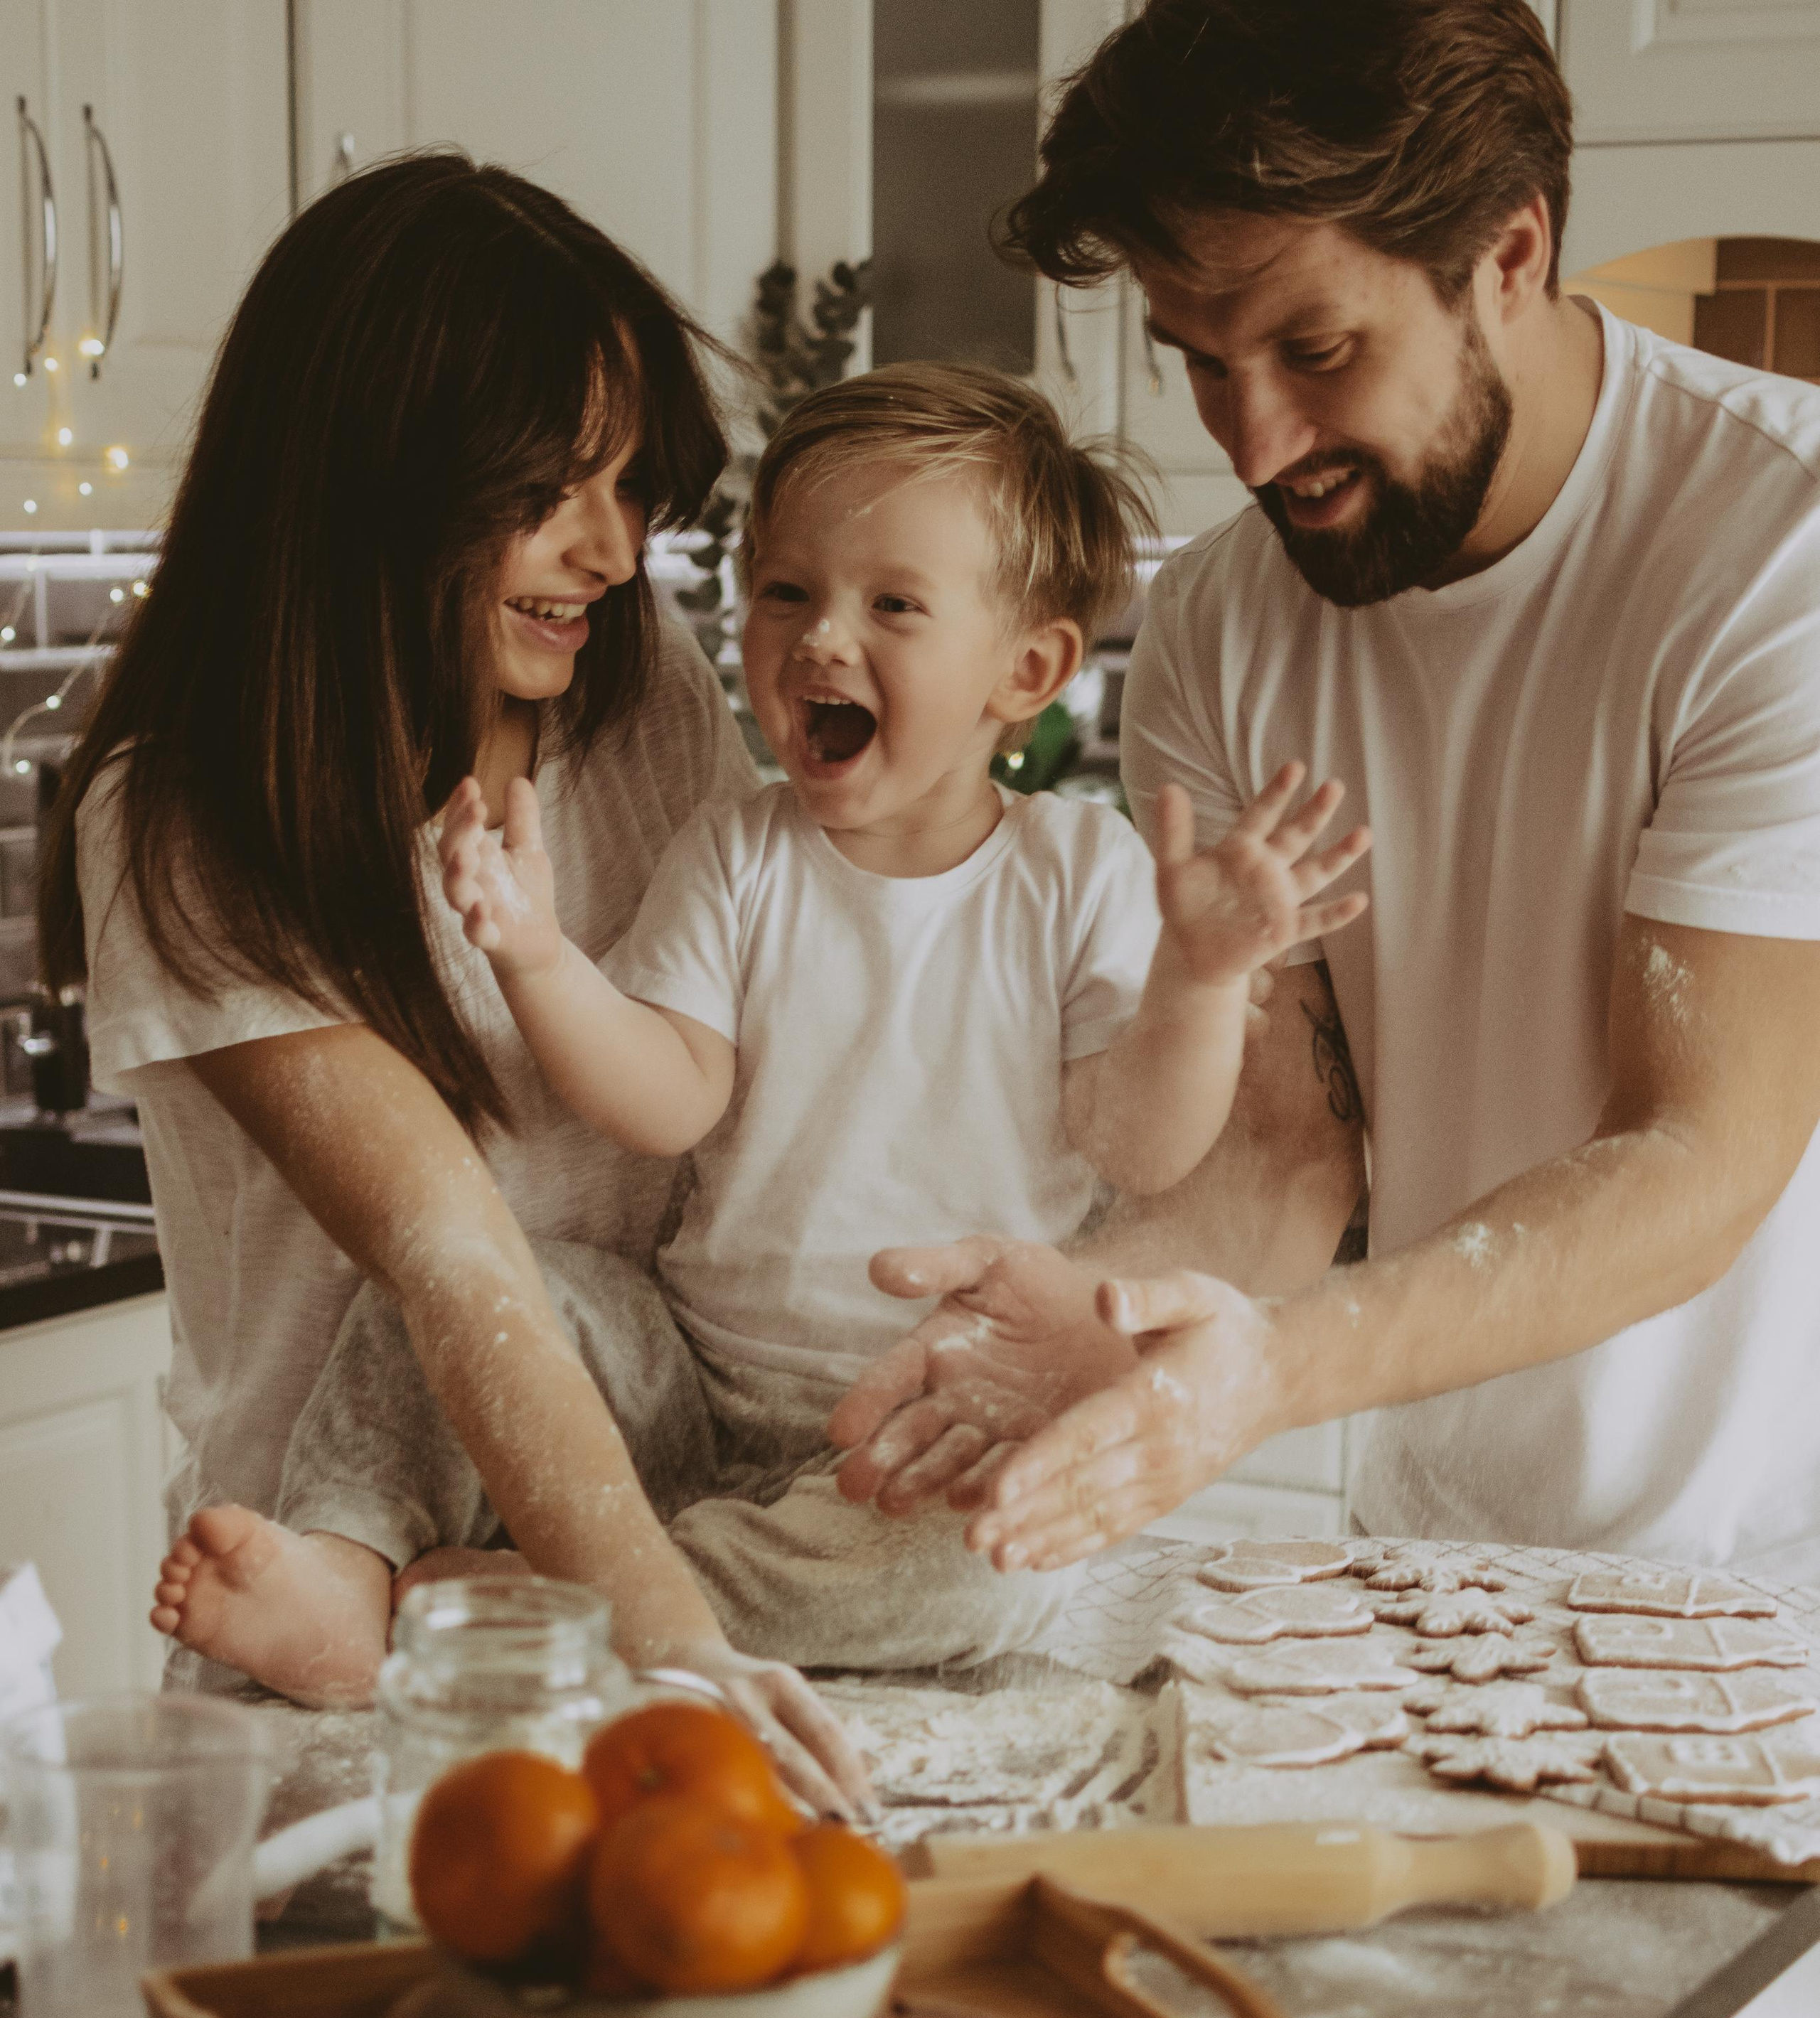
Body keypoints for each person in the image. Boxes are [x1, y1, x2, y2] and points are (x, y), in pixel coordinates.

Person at [153, 363, 1369, 1702]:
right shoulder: (739, 851)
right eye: (786, 593)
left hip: (920, 1411)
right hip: (682, 1370)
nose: (821, 639)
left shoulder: (1077, 870)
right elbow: (666, 1096)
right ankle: (346, 1560)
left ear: (1028, 669)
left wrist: (1201, 982)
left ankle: (560, 1604)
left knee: (985, 1566)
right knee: (479, 1285)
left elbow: (1136, 1143)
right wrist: (538, 957)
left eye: (891, 605)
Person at [831, 0, 1820, 1589]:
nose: (1253, 442)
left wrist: (1275, 1370)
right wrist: (1108, 1312)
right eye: (1198, 361)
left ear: (1506, 255)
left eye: (1315, 348)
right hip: (1433, 1554)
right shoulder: (1226, 620)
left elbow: (1695, 1157)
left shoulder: (1774, 555)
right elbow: (1291, 1155)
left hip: (1773, 1585)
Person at [41, 151, 864, 1813]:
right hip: (346, 1655)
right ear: (379, 478)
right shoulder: (190, 813)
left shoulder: (636, 716)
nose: (616, 554)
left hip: (635, 1552)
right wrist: (676, 1640)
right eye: (559, 489)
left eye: (636, 490)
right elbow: (448, 1248)